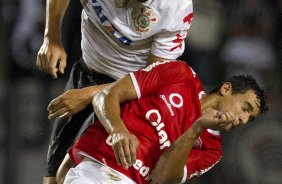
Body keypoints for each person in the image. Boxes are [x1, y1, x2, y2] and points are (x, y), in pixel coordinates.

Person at [36, 0, 194, 183]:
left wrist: (89, 95)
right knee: (52, 178)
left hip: (127, 96)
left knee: (80, 172)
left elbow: (152, 79)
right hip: (85, 74)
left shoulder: (176, 7)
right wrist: (52, 38)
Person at [56, 61, 267, 184]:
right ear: (226, 89)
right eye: (245, 108)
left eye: (249, 119)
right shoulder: (180, 75)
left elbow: (160, 179)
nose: (243, 119)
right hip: (96, 167)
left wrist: (197, 128)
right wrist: (118, 129)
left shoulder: (212, 150)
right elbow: (107, 95)